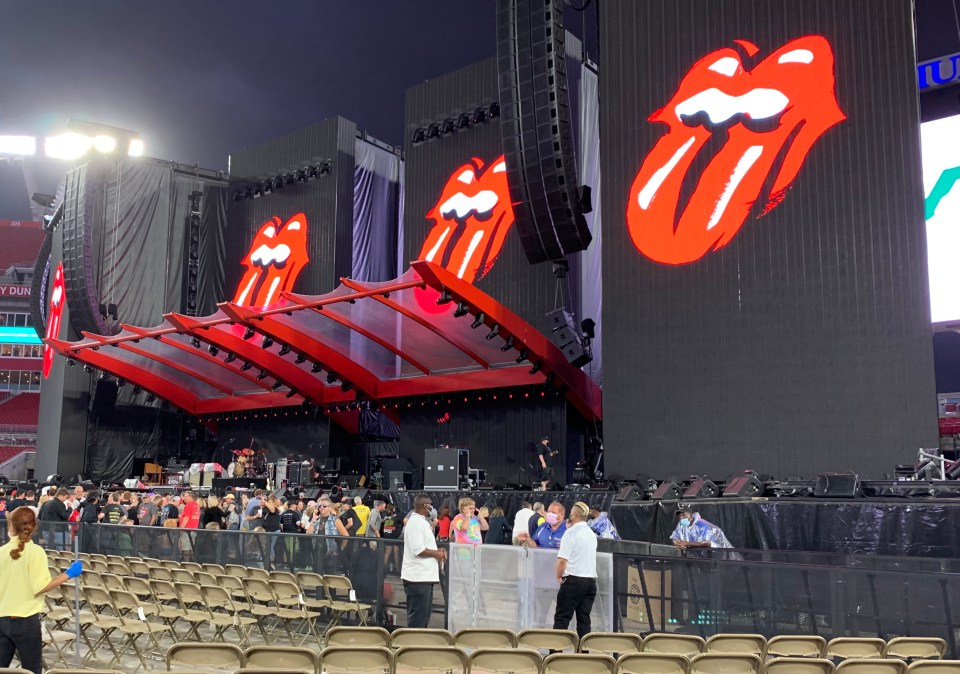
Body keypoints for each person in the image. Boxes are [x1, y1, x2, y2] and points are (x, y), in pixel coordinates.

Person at [0, 507, 83, 674]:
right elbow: (40, 587)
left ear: (11, 526)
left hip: (2, 619)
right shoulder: (36, 552)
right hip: (25, 622)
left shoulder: (1, 552)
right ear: (33, 526)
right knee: (32, 670)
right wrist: (68, 574)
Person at [553, 501, 598, 639]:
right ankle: (583, 653)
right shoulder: (592, 534)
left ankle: (556, 653)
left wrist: (558, 576)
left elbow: (562, 560)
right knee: (584, 620)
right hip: (590, 582)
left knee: (562, 618)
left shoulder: (570, 533)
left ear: (575, 515)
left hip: (573, 581)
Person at [401, 494, 447, 628]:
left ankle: (418, 643)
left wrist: (438, 550)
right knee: (418, 618)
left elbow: (425, 546)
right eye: (430, 504)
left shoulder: (423, 522)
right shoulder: (415, 523)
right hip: (417, 577)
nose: (433, 507)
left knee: (424, 615)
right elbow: (418, 549)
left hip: (424, 577)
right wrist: (436, 553)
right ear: (425, 506)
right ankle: (412, 645)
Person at [670, 506, 734, 550]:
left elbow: (708, 543)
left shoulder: (702, 525)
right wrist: (678, 544)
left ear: (690, 516)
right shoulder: (680, 525)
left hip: (708, 557)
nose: (681, 518)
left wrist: (686, 544)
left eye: (683, 515)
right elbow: (674, 537)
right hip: (691, 557)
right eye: (680, 516)